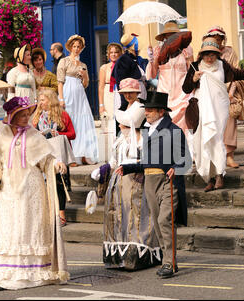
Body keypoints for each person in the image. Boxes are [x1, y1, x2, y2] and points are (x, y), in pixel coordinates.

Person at [0, 96, 69, 291]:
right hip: (9, 189)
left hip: (32, 189)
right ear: (12, 116)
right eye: (21, 115)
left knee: (30, 226)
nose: (25, 118)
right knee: (10, 227)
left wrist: (56, 164)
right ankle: (9, 275)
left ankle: (36, 273)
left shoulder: (34, 135)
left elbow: (46, 160)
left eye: (27, 114)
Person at [116, 91, 192, 279]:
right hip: (149, 182)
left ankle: (170, 263)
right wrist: (128, 168)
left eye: (149, 110)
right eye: (146, 110)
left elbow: (186, 159)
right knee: (158, 224)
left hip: (167, 181)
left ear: (160, 111)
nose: (146, 113)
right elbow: (146, 162)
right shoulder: (147, 130)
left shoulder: (174, 130)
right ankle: (166, 256)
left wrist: (176, 167)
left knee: (164, 220)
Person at [182, 37, 244, 191]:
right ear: (201, 55)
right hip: (202, 107)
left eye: (212, 54)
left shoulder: (223, 65)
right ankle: (209, 178)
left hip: (219, 107)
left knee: (216, 139)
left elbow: (239, 74)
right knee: (201, 142)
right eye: (206, 54)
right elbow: (186, 88)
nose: (209, 58)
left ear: (217, 55)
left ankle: (220, 175)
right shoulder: (195, 66)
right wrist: (193, 79)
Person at [93, 79, 162, 270]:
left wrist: (117, 114)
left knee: (137, 216)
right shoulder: (120, 140)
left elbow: (129, 120)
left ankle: (138, 255)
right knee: (119, 216)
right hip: (119, 179)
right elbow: (115, 156)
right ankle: (121, 256)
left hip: (135, 178)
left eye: (130, 92)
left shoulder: (140, 111)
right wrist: (105, 169)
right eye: (124, 92)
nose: (127, 95)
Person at [203, 26, 244, 168]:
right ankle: (214, 157)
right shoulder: (206, 52)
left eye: (220, 39)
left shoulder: (230, 52)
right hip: (211, 94)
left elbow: (236, 72)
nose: (218, 41)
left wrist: (230, 93)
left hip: (229, 92)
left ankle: (229, 155)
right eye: (214, 39)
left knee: (229, 123)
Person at [146, 21, 194, 152]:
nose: (171, 38)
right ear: (164, 36)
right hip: (164, 91)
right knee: (165, 119)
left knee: (184, 118)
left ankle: (185, 151)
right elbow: (153, 74)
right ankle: (168, 151)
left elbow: (192, 70)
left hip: (182, 90)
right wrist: (152, 59)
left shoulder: (186, 49)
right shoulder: (158, 50)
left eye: (173, 35)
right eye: (168, 35)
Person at [32, 88, 76, 227]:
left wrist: (58, 133)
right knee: (43, 184)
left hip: (58, 153)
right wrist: (39, 133)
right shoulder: (37, 116)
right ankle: (49, 213)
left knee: (59, 183)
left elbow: (73, 134)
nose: (40, 103)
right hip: (43, 153)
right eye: (40, 100)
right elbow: (32, 134)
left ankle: (61, 214)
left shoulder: (62, 115)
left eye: (43, 100)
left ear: (50, 100)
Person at [57, 34, 99, 165]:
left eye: (78, 47)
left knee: (83, 121)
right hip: (67, 93)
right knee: (70, 121)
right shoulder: (64, 61)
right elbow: (60, 81)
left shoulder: (83, 65)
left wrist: (85, 75)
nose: (76, 49)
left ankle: (83, 153)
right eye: (74, 46)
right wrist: (61, 98)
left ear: (81, 48)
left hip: (80, 94)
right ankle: (70, 155)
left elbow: (85, 84)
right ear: (70, 47)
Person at [112, 33, 148, 112]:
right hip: (129, 99)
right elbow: (120, 83)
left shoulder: (137, 59)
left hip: (139, 96)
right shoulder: (123, 60)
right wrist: (125, 105)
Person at [98, 42, 123, 137]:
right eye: (111, 52)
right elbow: (100, 87)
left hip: (120, 93)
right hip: (108, 94)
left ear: (120, 53)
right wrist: (101, 105)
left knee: (120, 117)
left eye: (116, 52)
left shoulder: (123, 66)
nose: (113, 54)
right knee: (109, 120)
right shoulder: (104, 68)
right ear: (108, 54)